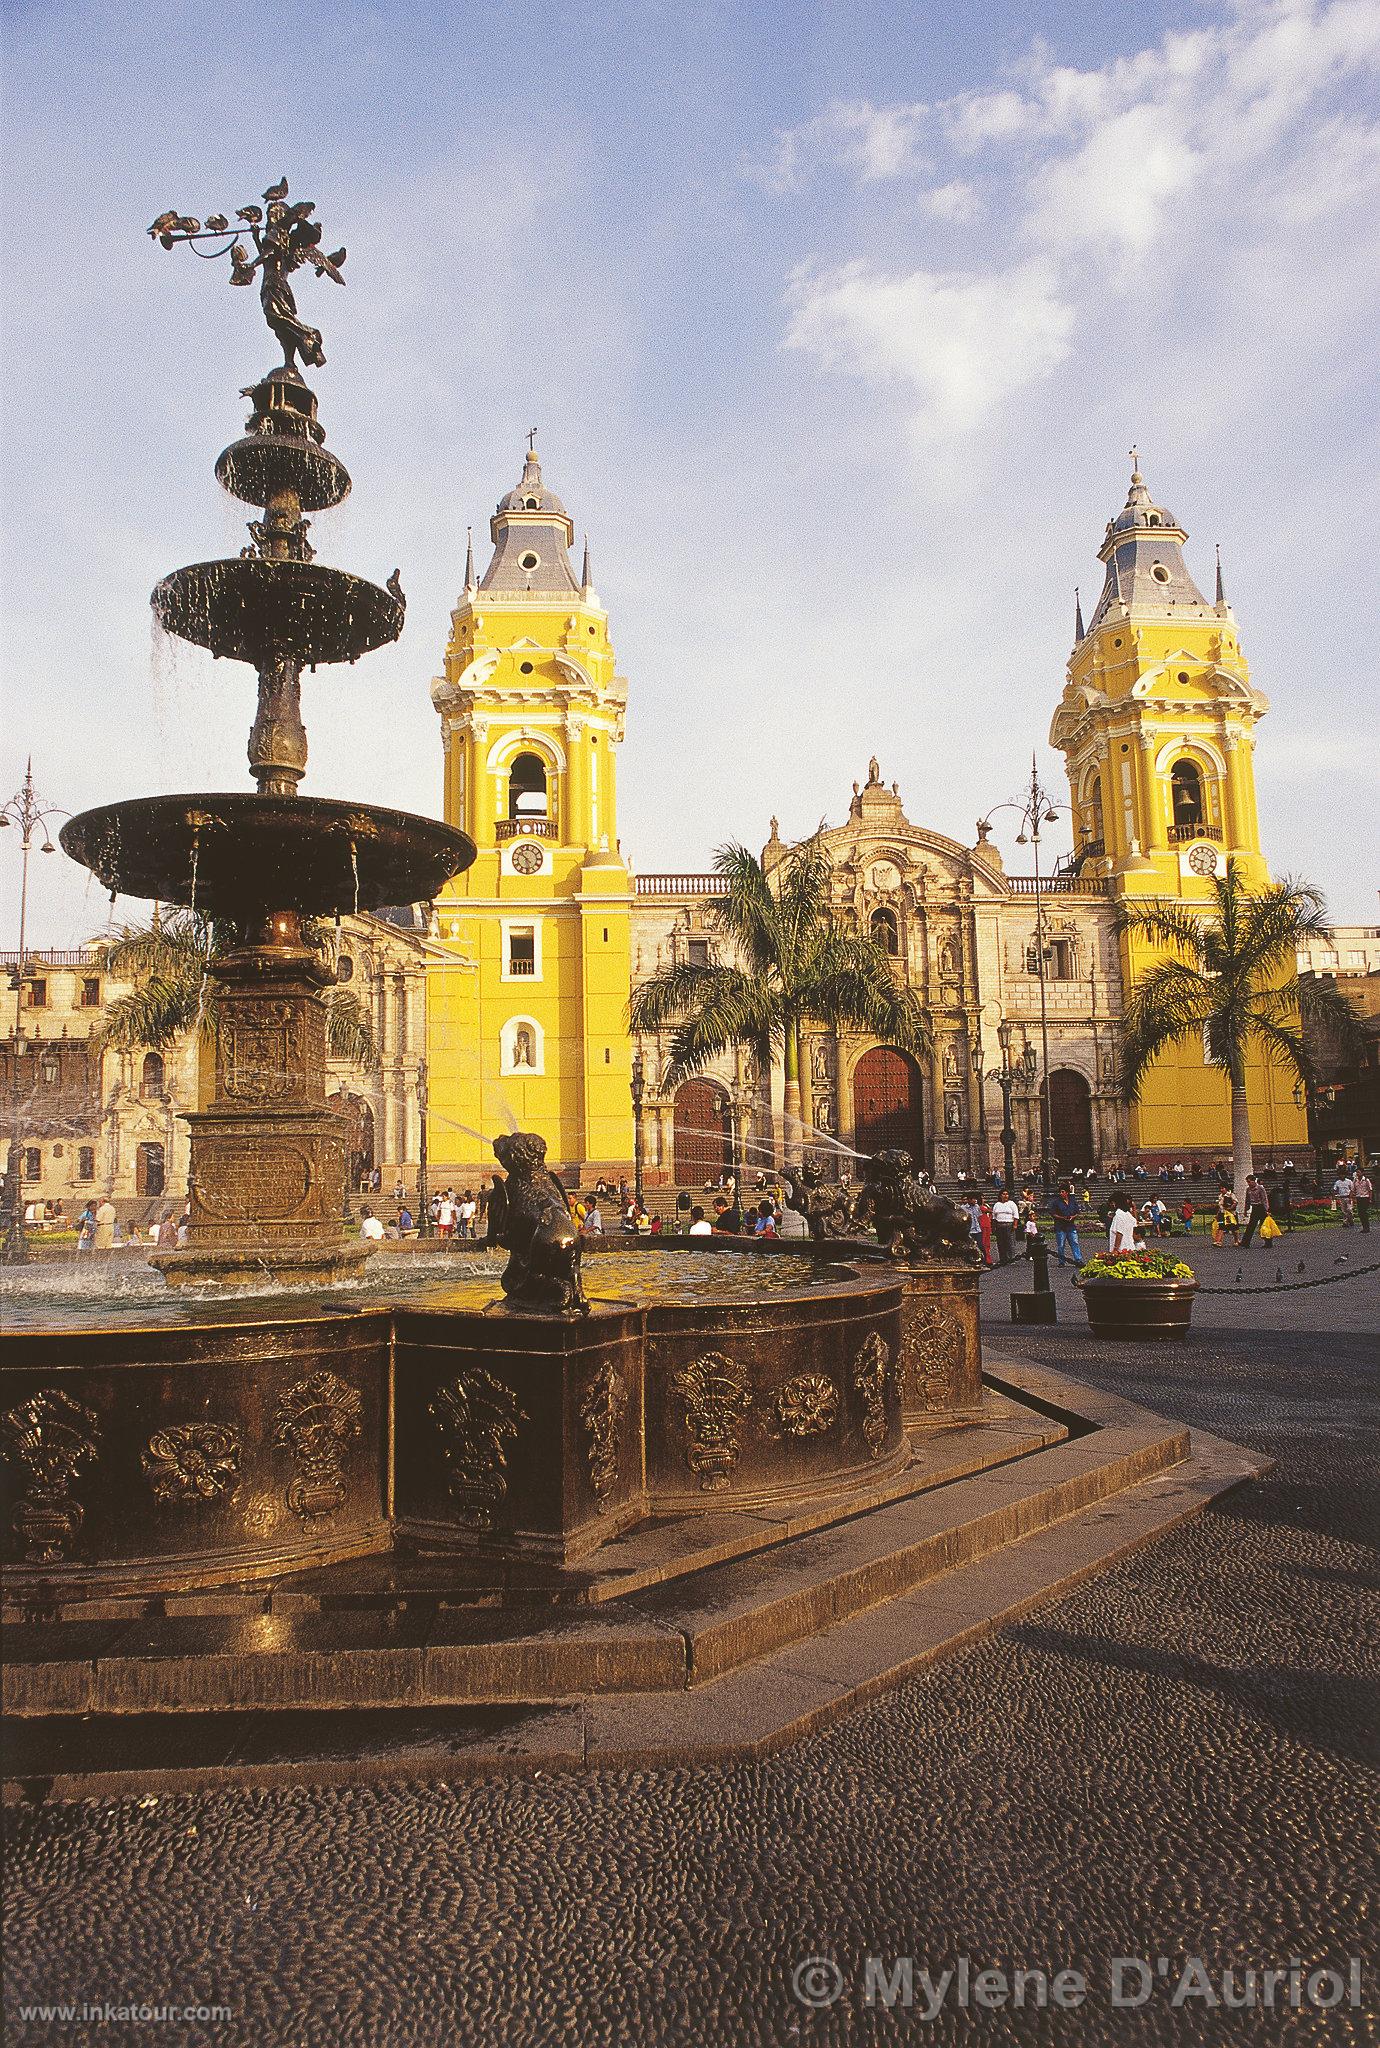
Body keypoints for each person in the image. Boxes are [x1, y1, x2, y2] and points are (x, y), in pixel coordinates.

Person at [1049, 1182, 1084, 1269]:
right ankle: (1061, 1261)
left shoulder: (1072, 1201)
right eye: (1060, 1192)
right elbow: (1053, 1213)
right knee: (1061, 1245)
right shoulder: (1056, 1202)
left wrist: (1073, 1217)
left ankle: (1078, 1259)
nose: (1061, 1193)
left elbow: (1077, 1212)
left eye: (1063, 1191)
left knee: (1075, 1243)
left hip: (1071, 1226)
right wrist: (1062, 1217)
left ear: (1067, 1192)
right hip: (1060, 1226)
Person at [991, 1188, 1020, 1265]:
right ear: (1000, 1195)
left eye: (1007, 1194)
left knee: (1010, 1242)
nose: (1005, 1196)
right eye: (1003, 1194)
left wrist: (1015, 1225)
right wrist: (993, 1227)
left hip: (1009, 1224)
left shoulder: (1011, 1204)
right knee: (1000, 1242)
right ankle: (1003, 1258)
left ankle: (1011, 1258)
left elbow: (1016, 1215)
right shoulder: (997, 1204)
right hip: (999, 1225)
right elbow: (994, 1217)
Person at [1239, 1173, 1269, 1248]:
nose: (1248, 1184)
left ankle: (1268, 1242)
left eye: (1249, 1182)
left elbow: (1264, 1199)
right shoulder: (1248, 1189)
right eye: (1247, 1182)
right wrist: (1246, 1210)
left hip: (1261, 1208)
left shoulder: (1260, 1188)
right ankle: (1245, 1243)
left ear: (1253, 1181)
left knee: (1264, 1225)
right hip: (1254, 1208)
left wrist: (1267, 1209)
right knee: (1251, 1226)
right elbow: (1247, 1200)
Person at [1353, 1166, 1372, 1235]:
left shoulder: (1366, 1180)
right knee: (1360, 1213)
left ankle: (1367, 1227)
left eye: (1358, 1172)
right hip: (1359, 1198)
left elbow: (1370, 1190)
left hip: (1365, 1197)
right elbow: (1353, 1189)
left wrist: (1370, 1199)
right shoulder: (1355, 1180)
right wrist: (1353, 1197)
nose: (1357, 1174)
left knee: (1364, 1212)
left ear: (1362, 1173)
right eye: (1356, 1172)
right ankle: (1364, 1227)